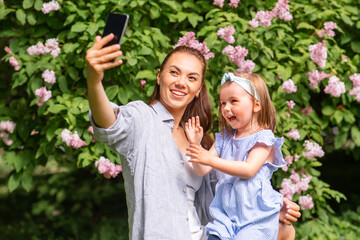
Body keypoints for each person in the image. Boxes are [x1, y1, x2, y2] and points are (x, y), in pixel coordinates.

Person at [85, 33, 300, 240]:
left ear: (198, 89)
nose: (181, 82)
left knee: (285, 230)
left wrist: (265, 211)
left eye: (192, 78)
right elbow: (110, 124)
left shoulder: (200, 141)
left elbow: (235, 189)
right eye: (174, 73)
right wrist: (95, 81)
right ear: (159, 77)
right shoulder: (143, 119)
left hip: (206, 235)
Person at [185, 72, 292, 239]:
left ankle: (282, 231)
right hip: (225, 216)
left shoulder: (263, 138)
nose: (226, 108)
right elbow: (202, 169)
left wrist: (210, 159)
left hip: (255, 217)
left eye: (233, 101)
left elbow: (249, 169)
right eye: (223, 103)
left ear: (256, 105)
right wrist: (195, 145)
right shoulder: (224, 138)